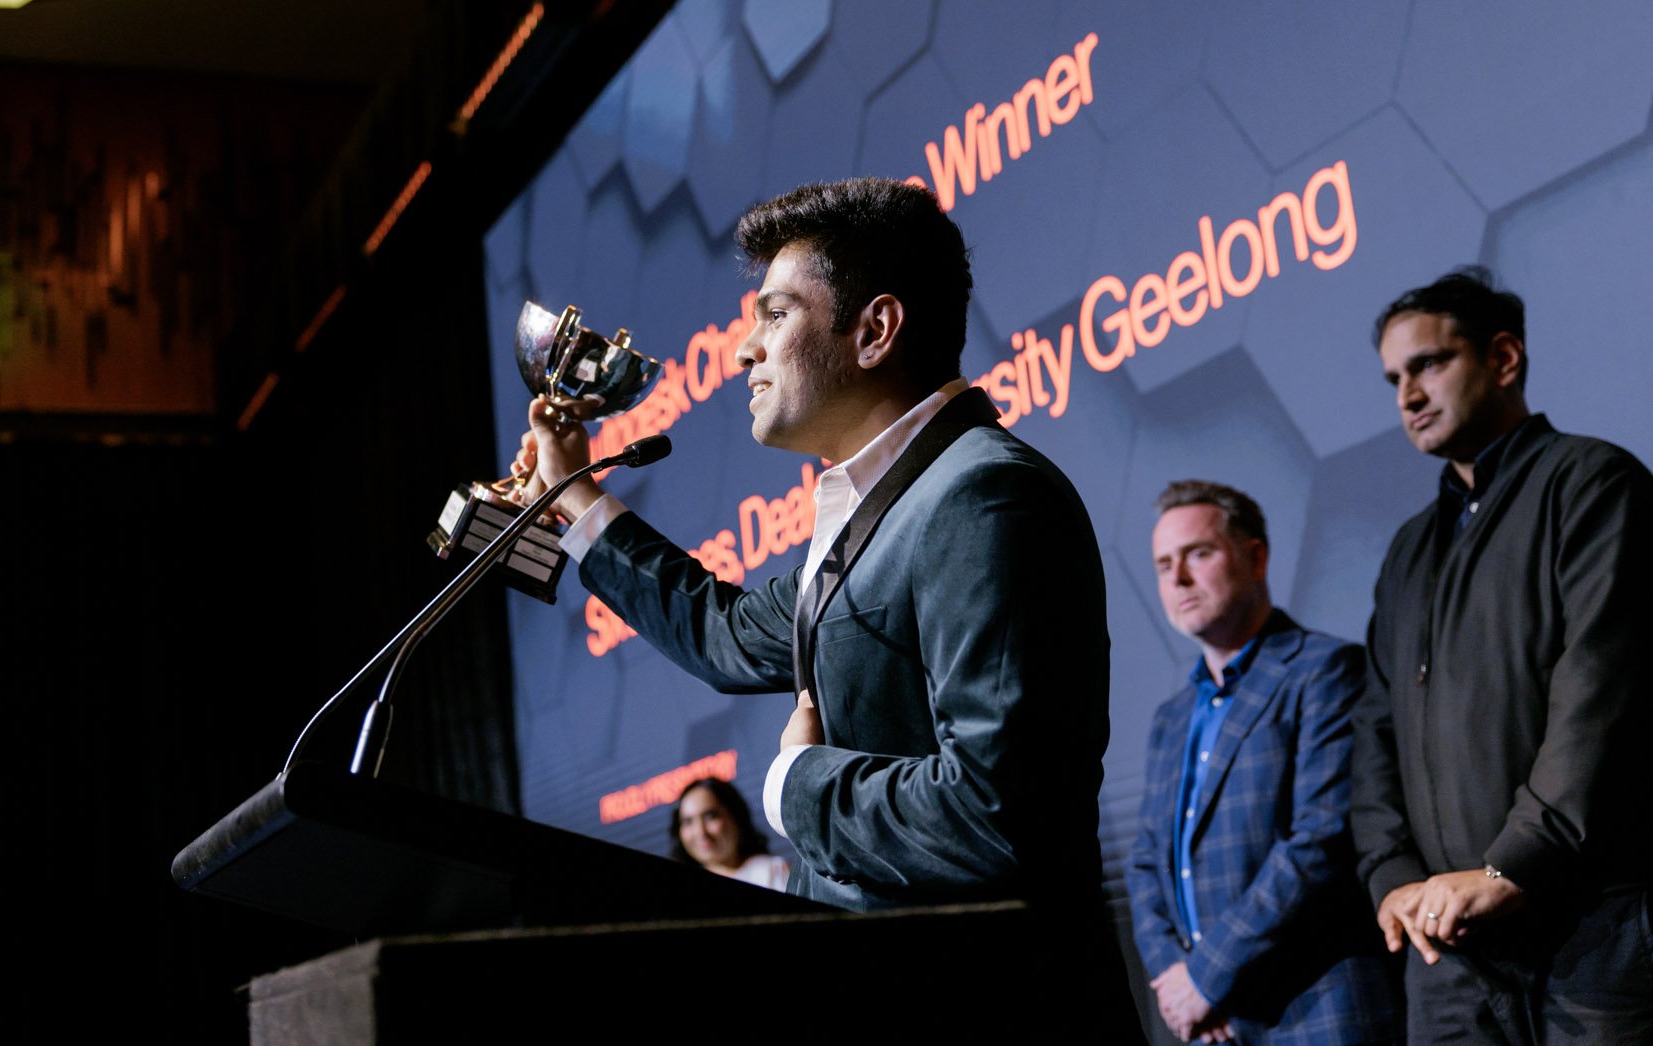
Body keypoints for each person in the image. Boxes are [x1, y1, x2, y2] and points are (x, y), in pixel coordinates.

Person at [512, 178, 1131, 1023]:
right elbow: (721, 633)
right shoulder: (884, 511)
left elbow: (998, 817)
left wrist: (796, 785)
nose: (743, 351)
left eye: (774, 315)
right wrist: (573, 491)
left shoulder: (982, 497)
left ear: (873, 330)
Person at [1353, 267, 1653, 1043]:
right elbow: (1376, 729)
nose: (1407, 396)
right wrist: (1392, 878)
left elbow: (1600, 693)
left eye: (1428, 364)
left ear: (1505, 359)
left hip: (1593, 933)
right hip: (1447, 953)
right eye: (1394, 378)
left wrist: (1512, 867)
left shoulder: (1592, 483)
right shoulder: (1408, 550)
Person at [1127, 481, 1400, 1044]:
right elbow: (1145, 868)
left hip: (1315, 1011)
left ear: (1256, 557)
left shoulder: (1324, 670)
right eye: (1162, 565)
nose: (1176, 580)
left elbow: (1321, 840)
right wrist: (1179, 987)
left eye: (1197, 554)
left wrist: (1206, 977)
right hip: (1211, 1026)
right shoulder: (1169, 718)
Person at [669, 777, 790, 891]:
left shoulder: (772, 872)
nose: (700, 832)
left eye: (710, 817)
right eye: (688, 822)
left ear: (736, 818)